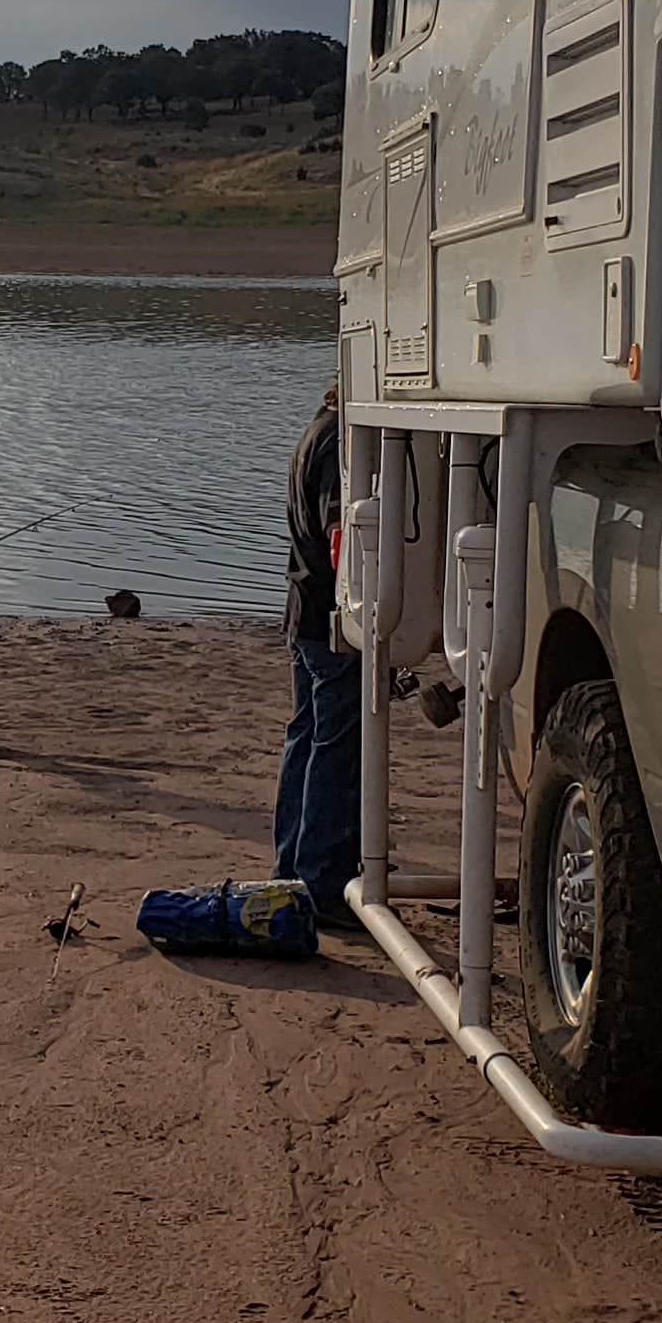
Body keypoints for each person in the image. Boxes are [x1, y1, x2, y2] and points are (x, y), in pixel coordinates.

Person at [275, 381, 357, 919]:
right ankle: (323, 879)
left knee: (306, 736)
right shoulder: (338, 443)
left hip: (302, 609)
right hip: (328, 616)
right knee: (333, 745)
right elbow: (338, 535)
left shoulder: (313, 434)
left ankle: (293, 867)